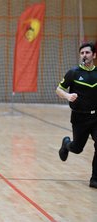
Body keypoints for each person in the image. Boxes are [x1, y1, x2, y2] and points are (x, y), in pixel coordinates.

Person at [56, 42, 97, 188]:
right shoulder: (73, 73)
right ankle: (67, 144)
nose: (84, 55)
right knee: (77, 148)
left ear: (94, 55)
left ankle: (94, 178)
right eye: (82, 53)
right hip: (80, 117)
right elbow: (59, 89)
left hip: (95, 117)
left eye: (87, 52)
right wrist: (67, 96)